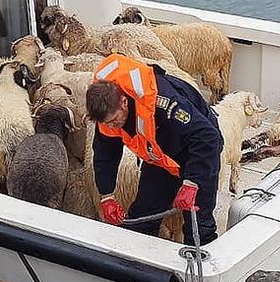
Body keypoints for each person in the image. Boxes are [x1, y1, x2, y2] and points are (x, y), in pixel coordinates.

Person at [86, 53, 224, 245]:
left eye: (113, 120)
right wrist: (106, 196)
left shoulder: (165, 104)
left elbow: (208, 137)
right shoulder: (107, 118)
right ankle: (134, 266)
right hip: (160, 158)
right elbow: (105, 156)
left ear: (124, 102)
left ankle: (202, 264)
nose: (112, 126)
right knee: (141, 219)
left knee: (198, 227)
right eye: (106, 124)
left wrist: (192, 182)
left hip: (197, 151)